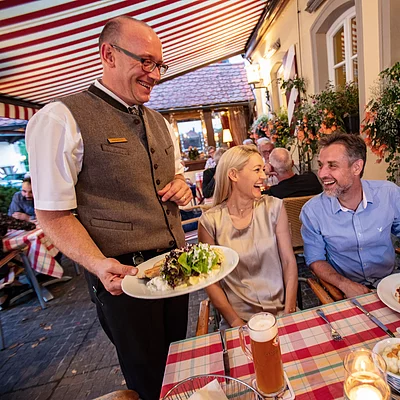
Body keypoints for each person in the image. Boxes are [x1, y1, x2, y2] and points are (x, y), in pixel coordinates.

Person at [26, 16, 192, 400]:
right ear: (108, 54)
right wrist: (98, 265)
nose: (154, 74)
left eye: (159, 65)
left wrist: (181, 186)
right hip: (123, 277)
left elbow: (177, 175)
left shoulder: (161, 121)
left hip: (177, 266)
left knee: (179, 360)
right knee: (149, 377)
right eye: (146, 62)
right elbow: (51, 215)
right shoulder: (61, 118)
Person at [198, 145, 298, 329]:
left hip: (281, 313)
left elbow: (288, 261)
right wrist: (235, 322)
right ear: (234, 175)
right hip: (237, 320)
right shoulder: (210, 221)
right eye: (257, 170)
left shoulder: (274, 207)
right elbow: (211, 281)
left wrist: (289, 312)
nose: (264, 175)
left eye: (263, 169)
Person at [300, 133, 400, 299]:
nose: (322, 173)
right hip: (344, 291)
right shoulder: (312, 212)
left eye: (332, 166)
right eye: (321, 165)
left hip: (391, 284)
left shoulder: (388, 194)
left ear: (356, 167)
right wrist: (345, 285)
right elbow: (315, 260)